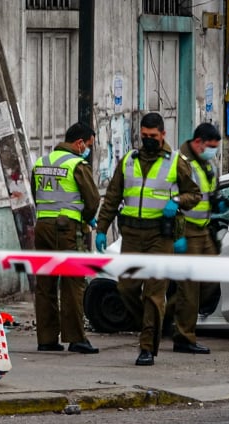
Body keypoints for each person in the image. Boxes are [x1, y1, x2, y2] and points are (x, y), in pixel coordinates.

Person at [94, 113, 201, 366]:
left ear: (163, 135)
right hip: (131, 235)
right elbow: (112, 197)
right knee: (125, 288)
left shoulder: (176, 162)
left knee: (154, 295)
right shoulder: (129, 161)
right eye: (144, 136)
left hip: (159, 236)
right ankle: (153, 322)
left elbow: (194, 195)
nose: (148, 140)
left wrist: (176, 202)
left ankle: (146, 348)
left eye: (153, 136)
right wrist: (101, 228)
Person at [30, 122, 100, 354]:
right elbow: (92, 201)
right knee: (73, 283)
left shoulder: (41, 162)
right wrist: (86, 219)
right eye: (89, 145)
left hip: (43, 226)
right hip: (67, 228)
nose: (88, 150)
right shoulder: (77, 164)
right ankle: (76, 338)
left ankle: (47, 339)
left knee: (45, 284)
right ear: (79, 143)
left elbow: (35, 194)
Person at [165, 123, 222, 355]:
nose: (213, 151)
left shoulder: (207, 163)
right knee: (189, 287)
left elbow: (209, 191)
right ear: (198, 142)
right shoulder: (181, 162)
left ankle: (161, 318)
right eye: (210, 147)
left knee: (210, 279)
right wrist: (177, 233)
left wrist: (218, 202)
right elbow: (173, 195)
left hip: (204, 230)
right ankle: (184, 338)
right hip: (186, 229)